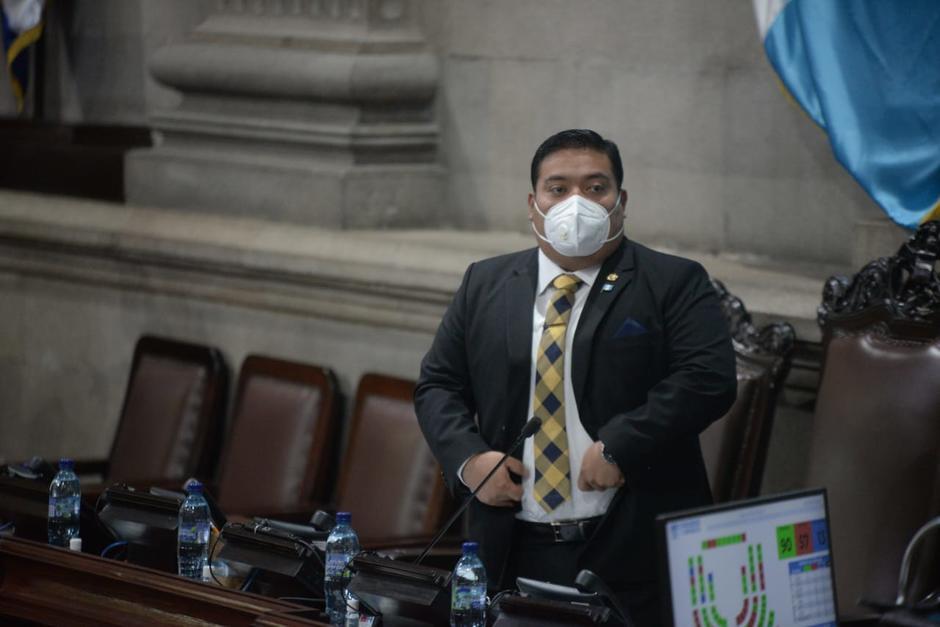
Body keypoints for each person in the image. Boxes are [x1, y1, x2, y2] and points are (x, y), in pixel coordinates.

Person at [415, 129, 736, 625]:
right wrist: (469, 461)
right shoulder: (485, 283)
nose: (577, 203)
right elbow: (438, 385)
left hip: (629, 546)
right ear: (533, 203)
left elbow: (708, 378)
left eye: (595, 187)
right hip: (512, 546)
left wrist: (621, 445)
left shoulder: (672, 281)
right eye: (558, 189)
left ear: (620, 202)